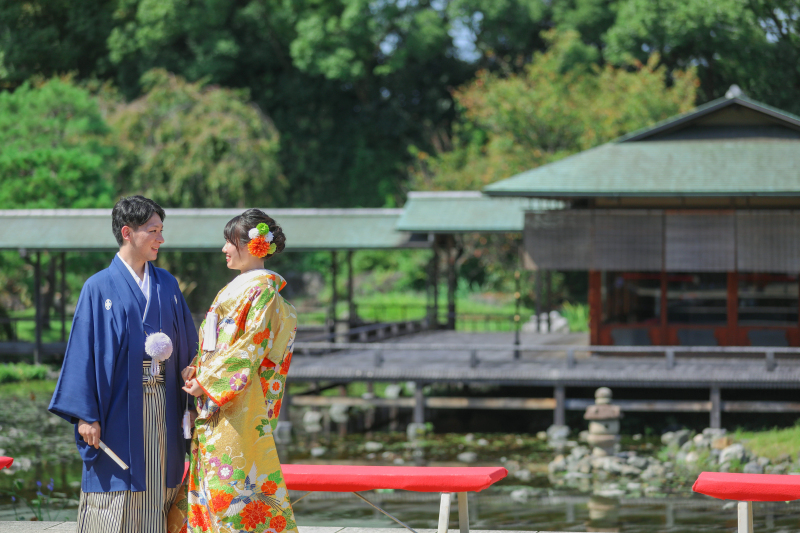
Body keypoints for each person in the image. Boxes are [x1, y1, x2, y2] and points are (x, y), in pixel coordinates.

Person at [49, 195, 198, 533]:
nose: (161, 238)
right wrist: (87, 414)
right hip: (117, 405)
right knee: (118, 480)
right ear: (128, 232)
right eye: (153, 230)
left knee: (160, 474)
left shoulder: (168, 286)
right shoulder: (98, 286)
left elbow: (189, 346)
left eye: (162, 230)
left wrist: (191, 400)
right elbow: (82, 353)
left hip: (164, 401)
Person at [170, 209, 298, 533]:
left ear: (251, 246)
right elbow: (217, 342)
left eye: (229, 243)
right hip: (218, 397)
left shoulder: (264, 290)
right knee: (213, 483)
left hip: (239, 401)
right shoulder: (236, 287)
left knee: (233, 485)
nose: (224, 250)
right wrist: (197, 368)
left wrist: (209, 380)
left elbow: (251, 345)